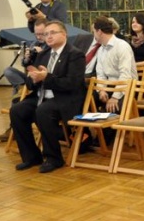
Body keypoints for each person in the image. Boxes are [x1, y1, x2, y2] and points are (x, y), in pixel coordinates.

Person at [10, 20, 87, 173]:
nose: (49, 37)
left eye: (53, 33)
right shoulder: (43, 54)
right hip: (41, 97)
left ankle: (54, 158)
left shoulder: (75, 54)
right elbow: (31, 84)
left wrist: (47, 77)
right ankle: (31, 157)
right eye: (46, 34)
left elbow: (72, 83)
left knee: (43, 111)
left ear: (64, 34)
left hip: (65, 99)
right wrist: (33, 78)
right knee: (17, 110)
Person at [93, 17, 138, 113]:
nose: (94, 35)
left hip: (126, 87)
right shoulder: (101, 50)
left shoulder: (122, 46)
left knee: (114, 108)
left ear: (99, 32)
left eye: (94, 32)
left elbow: (125, 75)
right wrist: (101, 90)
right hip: (109, 86)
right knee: (87, 100)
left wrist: (115, 97)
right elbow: (100, 74)